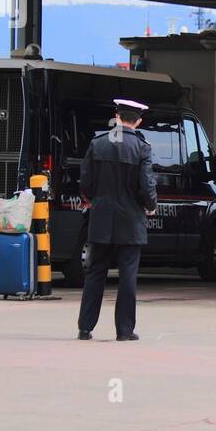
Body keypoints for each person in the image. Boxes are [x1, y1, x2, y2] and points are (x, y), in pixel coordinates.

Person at [77, 100, 157, 341]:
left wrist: (96, 199)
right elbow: (147, 185)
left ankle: (85, 327)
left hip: (101, 218)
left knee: (95, 272)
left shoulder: (98, 143)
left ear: (117, 116)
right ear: (139, 121)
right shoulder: (142, 148)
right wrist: (150, 205)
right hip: (131, 221)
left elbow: (85, 182)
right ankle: (124, 330)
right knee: (128, 275)